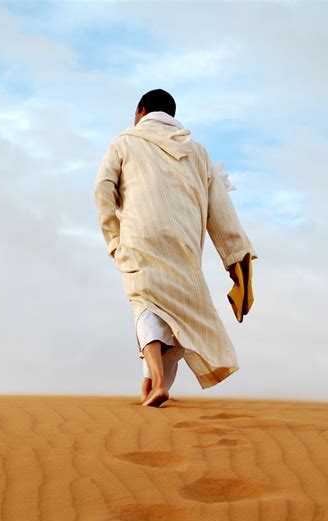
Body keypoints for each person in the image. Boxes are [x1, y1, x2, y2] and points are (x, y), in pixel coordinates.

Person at [94, 89, 258, 407]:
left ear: (141, 111)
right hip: (183, 243)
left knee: (145, 302)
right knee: (178, 311)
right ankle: (151, 381)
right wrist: (236, 256)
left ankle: (155, 381)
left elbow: (103, 187)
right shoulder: (197, 152)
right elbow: (220, 208)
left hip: (139, 235)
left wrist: (112, 236)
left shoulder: (124, 141)